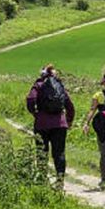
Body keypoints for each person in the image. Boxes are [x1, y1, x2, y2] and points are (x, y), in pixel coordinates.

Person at [25, 63, 75, 191]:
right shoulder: (59, 86)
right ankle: (60, 181)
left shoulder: (39, 85)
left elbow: (30, 99)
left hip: (42, 124)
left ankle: (42, 179)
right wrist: (68, 121)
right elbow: (70, 106)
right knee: (59, 153)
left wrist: (35, 113)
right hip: (60, 124)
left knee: (42, 152)